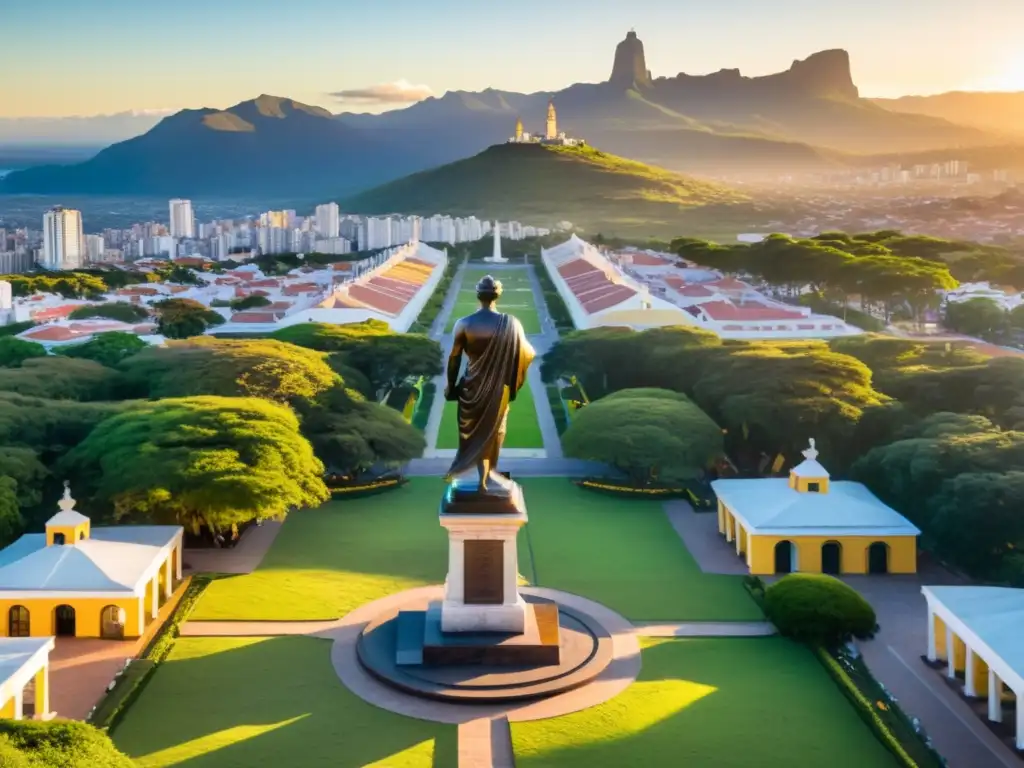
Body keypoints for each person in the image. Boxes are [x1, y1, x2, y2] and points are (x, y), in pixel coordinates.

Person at [444, 275, 535, 493]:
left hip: (470, 388)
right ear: (498, 295)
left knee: (472, 434)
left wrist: (450, 386)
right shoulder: (511, 323)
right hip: (498, 388)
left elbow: (454, 358)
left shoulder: (464, 323)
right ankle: (488, 475)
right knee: (496, 431)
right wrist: (511, 377)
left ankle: (482, 478)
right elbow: (528, 353)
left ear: (478, 295)